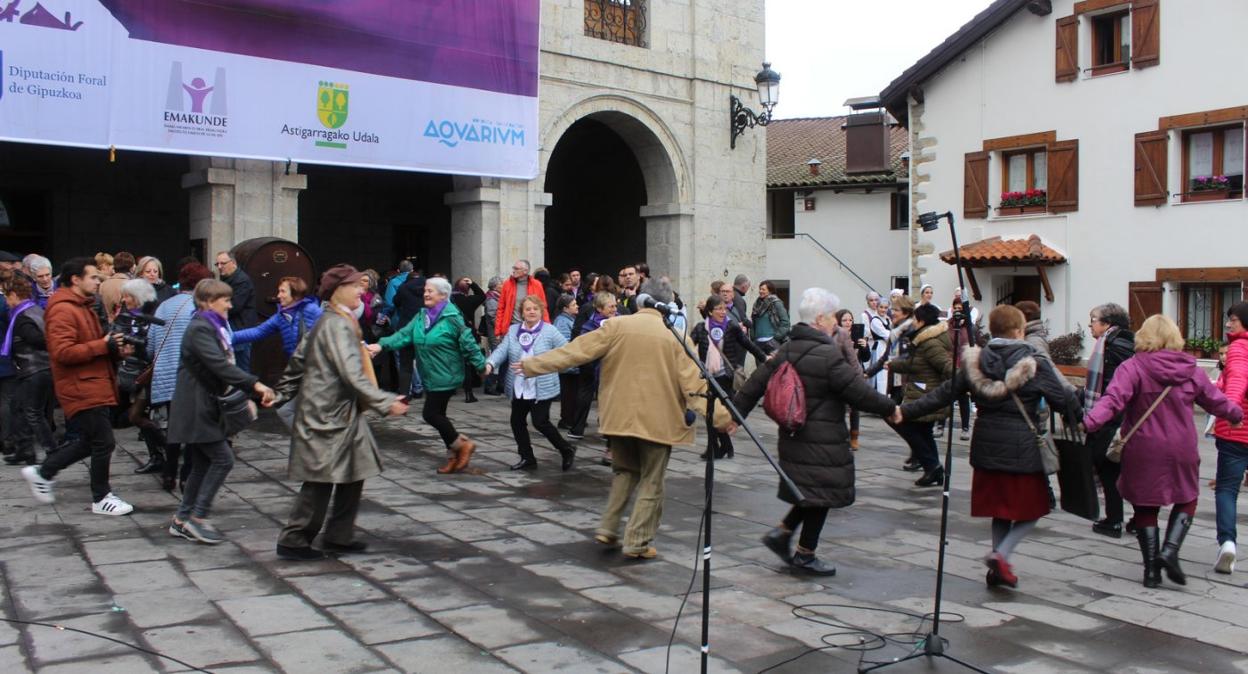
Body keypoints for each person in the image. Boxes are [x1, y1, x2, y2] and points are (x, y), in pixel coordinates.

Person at [522, 277, 733, 559]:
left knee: (624, 473)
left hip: (619, 417)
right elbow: (694, 385)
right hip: (658, 422)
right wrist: (721, 417)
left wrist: (531, 365)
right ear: (666, 304)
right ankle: (637, 542)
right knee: (651, 481)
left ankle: (608, 528)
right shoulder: (676, 337)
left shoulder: (616, 326)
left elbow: (574, 352)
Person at [902, 305, 1082, 588]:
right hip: (1023, 447)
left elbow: (942, 395)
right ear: (1020, 330)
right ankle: (1001, 555)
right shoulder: (1034, 361)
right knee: (1035, 508)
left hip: (986, 446)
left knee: (1001, 509)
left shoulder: (977, 362)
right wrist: (1085, 415)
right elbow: (1064, 401)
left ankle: (998, 570)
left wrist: (905, 411)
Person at [735, 288, 899, 575]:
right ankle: (804, 554)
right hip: (822, 439)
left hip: (794, 435)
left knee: (810, 491)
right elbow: (858, 391)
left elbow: (756, 381)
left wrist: (734, 415)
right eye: (834, 318)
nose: (836, 323)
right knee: (823, 493)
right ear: (821, 319)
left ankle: (783, 534)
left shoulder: (788, 348)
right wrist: (891, 408)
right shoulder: (827, 354)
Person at [1086, 314, 1242, 587]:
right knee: (1187, 497)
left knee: (1146, 505)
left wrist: (1091, 421)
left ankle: (1151, 571)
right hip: (1181, 445)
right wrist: (1235, 414)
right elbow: (1215, 401)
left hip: (1142, 447)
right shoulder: (1191, 369)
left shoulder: (1132, 367)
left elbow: (1113, 400)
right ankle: (1170, 550)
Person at [273, 265, 407, 560]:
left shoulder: (333, 319)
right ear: (337, 291)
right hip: (328, 414)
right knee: (321, 479)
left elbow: (298, 361)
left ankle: (338, 534)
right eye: (355, 285)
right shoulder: (336, 324)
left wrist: (278, 393)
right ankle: (294, 539)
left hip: (340, 413)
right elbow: (351, 374)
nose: (362, 290)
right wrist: (385, 402)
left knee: (354, 472)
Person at [21, 257, 134, 516]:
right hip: (82, 386)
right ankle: (101, 497)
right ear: (75, 279)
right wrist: (104, 346)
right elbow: (62, 352)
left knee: (89, 441)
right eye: (93, 277)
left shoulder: (82, 306)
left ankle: (43, 471)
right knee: (104, 442)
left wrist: (117, 351)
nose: (98, 281)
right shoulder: (63, 309)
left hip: (94, 383)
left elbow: (94, 345)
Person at [166, 279, 275, 544]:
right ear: (206, 302)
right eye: (224, 299)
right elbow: (219, 366)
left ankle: (182, 519)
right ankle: (197, 517)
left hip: (202, 404)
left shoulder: (210, 326)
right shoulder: (200, 328)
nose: (230, 303)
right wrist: (255, 384)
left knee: (202, 463)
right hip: (197, 406)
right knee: (223, 459)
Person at [373, 277, 486, 474]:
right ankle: (455, 454)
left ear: (443, 295)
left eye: (430, 291)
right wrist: (380, 345)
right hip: (430, 374)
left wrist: (481, 365)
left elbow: (467, 342)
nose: (425, 293)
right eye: (425, 290)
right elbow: (404, 335)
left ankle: (462, 445)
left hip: (446, 374)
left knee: (431, 414)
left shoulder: (452, 317)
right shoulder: (422, 315)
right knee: (438, 415)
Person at [485, 295, 577, 471]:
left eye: (535, 309)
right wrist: (490, 363)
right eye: (528, 309)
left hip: (541, 385)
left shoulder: (550, 331)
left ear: (541, 311)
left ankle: (566, 449)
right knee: (516, 421)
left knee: (540, 421)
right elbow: (502, 350)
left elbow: (566, 351)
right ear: (522, 313)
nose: (532, 312)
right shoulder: (513, 330)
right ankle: (527, 457)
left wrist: (562, 365)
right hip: (519, 384)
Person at [148, 262, 213, 491]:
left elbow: (151, 345)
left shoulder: (164, 305)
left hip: (164, 376)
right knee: (193, 430)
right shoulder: (200, 308)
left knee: (174, 427)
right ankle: (187, 476)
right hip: (190, 377)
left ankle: (168, 474)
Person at [691, 295, 767, 460]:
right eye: (718, 309)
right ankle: (717, 447)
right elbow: (689, 347)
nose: (722, 312)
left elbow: (747, 344)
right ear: (710, 311)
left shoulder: (731, 326)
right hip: (708, 379)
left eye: (724, 308)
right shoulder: (700, 328)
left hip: (726, 378)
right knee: (709, 414)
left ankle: (723, 446)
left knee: (724, 414)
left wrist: (764, 358)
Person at [1084, 302, 1136, 538]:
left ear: (1108, 323)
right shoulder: (1115, 342)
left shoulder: (1116, 344)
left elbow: (1118, 384)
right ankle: (1135, 519)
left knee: (1109, 466)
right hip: (1115, 413)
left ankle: (1115, 519)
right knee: (1119, 468)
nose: (1090, 325)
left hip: (1114, 415)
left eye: (1093, 320)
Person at [887, 302, 953, 487]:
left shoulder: (930, 342)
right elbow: (915, 364)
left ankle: (932, 467)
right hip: (922, 393)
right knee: (923, 432)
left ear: (922, 321)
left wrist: (954, 388)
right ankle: (933, 469)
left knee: (906, 425)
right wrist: (893, 365)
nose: (913, 322)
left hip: (927, 396)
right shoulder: (922, 340)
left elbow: (947, 367)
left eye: (915, 319)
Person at [1210, 302, 1248, 574]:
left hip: (1237, 432)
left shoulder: (1239, 348)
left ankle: (1228, 543)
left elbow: (1237, 380)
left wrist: (1233, 411)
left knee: (1226, 489)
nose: (1228, 324)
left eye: (1233, 320)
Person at [2, 275, 53, 466]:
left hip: (35, 369)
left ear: (14, 295)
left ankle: (51, 449)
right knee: (18, 407)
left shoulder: (23, 316)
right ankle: (25, 449)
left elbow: (40, 340)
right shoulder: (34, 310)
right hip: (35, 369)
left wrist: (22, 342)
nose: (6, 302)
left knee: (32, 413)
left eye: (7, 297)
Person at [568, 290, 619, 444]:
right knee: (585, 395)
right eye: (610, 307)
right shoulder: (590, 325)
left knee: (608, 399)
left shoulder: (620, 321)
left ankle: (608, 430)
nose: (614, 309)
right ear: (599, 308)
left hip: (612, 366)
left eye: (615, 306)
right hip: (591, 365)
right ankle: (577, 428)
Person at [231, 276, 322, 356]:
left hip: (315, 365)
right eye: (279, 291)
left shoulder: (311, 309)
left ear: (295, 294)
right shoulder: (282, 316)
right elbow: (258, 331)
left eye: (283, 291)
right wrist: (229, 337)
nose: (278, 295)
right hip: (296, 364)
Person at [215, 251, 258, 372]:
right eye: (217, 264)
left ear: (233, 263)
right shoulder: (226, 279)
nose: (219, 267)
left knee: (241, 369)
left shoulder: (241, 281)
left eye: (222, 263)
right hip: (233, 329)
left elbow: (234, 306)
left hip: (240, 329)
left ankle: (244, 391)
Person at [450, 276, 486, 403]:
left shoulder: (450, 301)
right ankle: (468, 393)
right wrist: (473, 284)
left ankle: (451, 389)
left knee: (452, 362)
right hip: (467, 333)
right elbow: (482, 296)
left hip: (452, 334)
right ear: (467, 289)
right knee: (467, 364)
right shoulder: (469, 300)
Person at [838, 309, 869, 450]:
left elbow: (866, 358)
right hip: (841, 375)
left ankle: (854, 436)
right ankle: (841, 435)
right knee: (839, 407)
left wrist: (865, 347)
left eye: (850, 320)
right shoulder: (837, 337)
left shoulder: (857, 336)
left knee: (855, 407)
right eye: (844, 320)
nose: (848, 323)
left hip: (856, 376)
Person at [494, 260, 548, 338]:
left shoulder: (537, 285)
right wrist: (498, 331)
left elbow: (543, 307)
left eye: (516, 269)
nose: (513, 271)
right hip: (512, 326)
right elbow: (501, 308)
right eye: (513, 268)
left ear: (525, 271)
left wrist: (546, 326)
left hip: (533, 326)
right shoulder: (507, 284)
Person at [552, 293, 580, 429]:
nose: (577, 306)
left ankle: (572, 417)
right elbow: (564, 343)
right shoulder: (562, 321)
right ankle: (567, 419)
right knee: (569, 394)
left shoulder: (568, 319)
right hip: (568, 365)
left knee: (572, 393)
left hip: (571, 364)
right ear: (565, 308)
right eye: (573, 305)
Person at [751, 280, 790, 364]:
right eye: (760, 289)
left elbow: (785, 322)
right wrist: (753, 338)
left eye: (763, 289)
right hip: (758, 343)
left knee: (774, 369)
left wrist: (775, 338)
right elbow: (753, 322)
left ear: (770, 291)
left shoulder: (777, 303)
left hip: (772, 343)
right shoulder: (756, 305)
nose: (760, 291)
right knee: (760, 371)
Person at [866, 295, 891, 396]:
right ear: (877, 307)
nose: (883, 310)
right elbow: (887, 335)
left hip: (887, 348)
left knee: (887, 374)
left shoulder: (887, 320)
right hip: (879, 348)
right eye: (881, 307)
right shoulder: (875, 320)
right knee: (880, 375)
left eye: (885, 307)